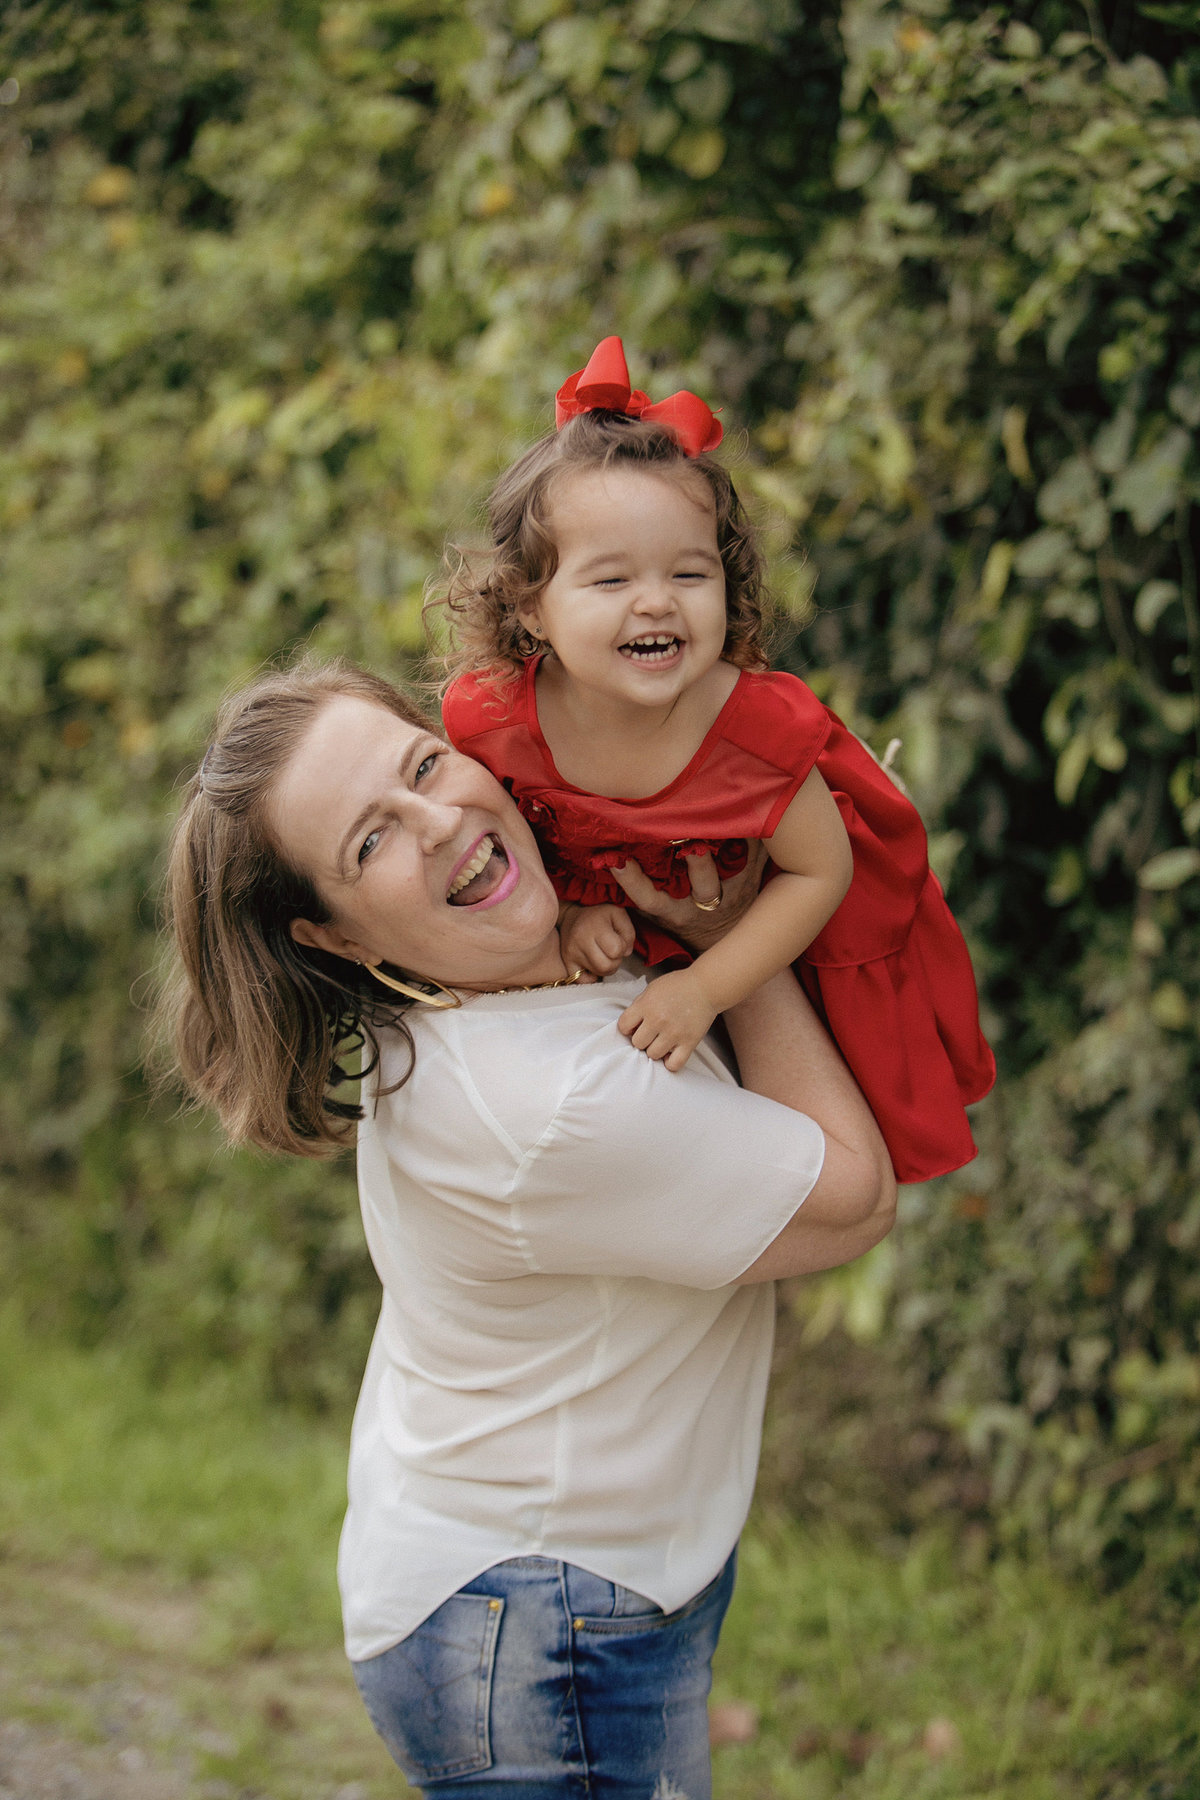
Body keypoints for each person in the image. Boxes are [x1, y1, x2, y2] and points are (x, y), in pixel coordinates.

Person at [159, 657, 895, 1799]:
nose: (438, 823)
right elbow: (853, 1197)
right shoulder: (541, 1108)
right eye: (370, 842)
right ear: (335, 936)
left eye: (423, 767)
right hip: (538, 1620)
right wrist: (738, 941)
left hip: (524, 1577)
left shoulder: (496, 983)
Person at [435, 336, 996, 1184]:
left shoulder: (755, 732)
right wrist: (569, 913)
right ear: (532, 608)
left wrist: (708, 988)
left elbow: (821, 872)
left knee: (824, 1139)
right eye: (611, 581)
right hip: (629, 948)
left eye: (690, 575)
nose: (656, 602)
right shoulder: (491, 718)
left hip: (770, 934)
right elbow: (509, 841)